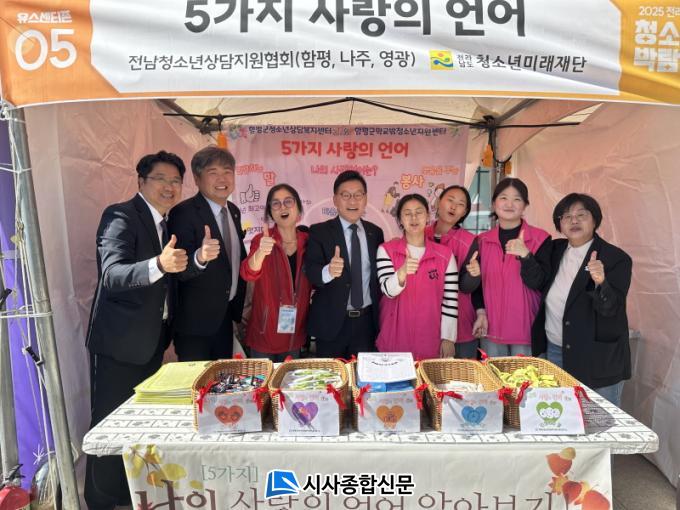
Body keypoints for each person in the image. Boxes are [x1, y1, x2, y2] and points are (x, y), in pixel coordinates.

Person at [85, 150, 187, 510]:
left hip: (152, 344)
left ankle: (128, 495)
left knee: (137, 426)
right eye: (161, 179)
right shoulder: (121, 216)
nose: (169, 187)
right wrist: (158, 264)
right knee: (108, 427)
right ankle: (99, 501)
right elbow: (112, 275)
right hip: (119, 345)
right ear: (141, 181)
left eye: (176, 181)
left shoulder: (167, 224)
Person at [532, 193, 632, 406]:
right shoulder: (555, 250)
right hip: (556, 350)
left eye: (581, 215)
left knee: (600, 419)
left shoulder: (616, 258)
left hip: (597, 358)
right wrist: (524, 255)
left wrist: (601, 282)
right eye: (567, 216)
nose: (574, 221)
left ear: (595, 220)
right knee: (560, 415)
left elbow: (612, 308)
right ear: (559, 224)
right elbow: (536, 279)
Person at [168, 146, 246, 360]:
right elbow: (178, 271)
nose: (222, 178)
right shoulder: (183, 213)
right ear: (197, 178)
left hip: (226, 317)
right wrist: (199, 257)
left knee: (223, 377)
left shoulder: (234, 212)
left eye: (227, 171)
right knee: (197, 379)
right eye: (213, 172)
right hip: (195, 325)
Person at [304, 170, 385, 358]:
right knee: (331, 375)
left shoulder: (376, 233)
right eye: (346, 195)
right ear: (335, 200)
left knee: (362, 375)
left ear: (365, 199)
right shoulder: (319, 232)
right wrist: (328, 271)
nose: (352, 201)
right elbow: (311, 271)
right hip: (331, 324)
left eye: (358, 195)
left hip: (366, 324)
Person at [474, 178, 551, 356]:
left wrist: (526, 256)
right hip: (490, 331)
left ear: (525, 206)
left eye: (517, 199)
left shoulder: (540, 239)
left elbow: (541, 283)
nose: (509, 204)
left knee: (526, 375)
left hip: (526, 333)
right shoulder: (482, 241)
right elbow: (477, 285)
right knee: (492, 375)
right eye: (503, 198)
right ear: (494, 203)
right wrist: (481, 313)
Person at [376, 194, 458, 359]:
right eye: (407, 213)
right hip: (394, 339)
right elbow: (387, 291)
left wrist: (448, 338)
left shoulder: (445, 255)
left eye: (419, 212)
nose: (413, 218)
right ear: (400, 219)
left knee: (428, 377)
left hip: (431, 340)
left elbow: (450, 299)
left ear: (427, 216)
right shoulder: (386, 250)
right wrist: (401, 273)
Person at [240, 184, 312, 362]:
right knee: (263, 381)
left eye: (288, 201)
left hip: (294, 334)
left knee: (288, 379)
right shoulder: (262, 240)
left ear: (298, 208)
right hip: (264, 334)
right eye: (276, 204)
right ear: (271, 212)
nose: (282, 207)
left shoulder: (309, 242)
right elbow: (248, 273)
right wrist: (261, 253)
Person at [425, 185, 485, 359]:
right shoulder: (419, 234)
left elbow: (466, 287)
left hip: (461, 325)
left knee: (462, 374)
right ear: (438, 202)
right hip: (425, 322)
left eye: (460, 204)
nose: (453, 206)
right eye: (450, 200)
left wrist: (474, 275)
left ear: (464, 212)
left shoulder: (470, 241)